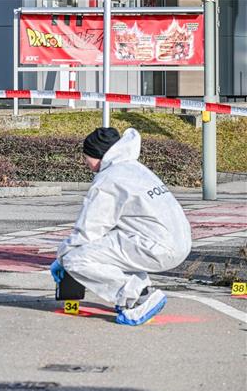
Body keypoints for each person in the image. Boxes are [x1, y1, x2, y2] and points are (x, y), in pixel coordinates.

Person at [50, 127, 192, 326]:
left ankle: (138, 297)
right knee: (108, 246)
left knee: (76, 260)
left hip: (157, 247)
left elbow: (89, 229)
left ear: (99, 155)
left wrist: (63, 256)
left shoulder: (108, 180)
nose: (85, 163)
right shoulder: (135, 168)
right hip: (177, 242)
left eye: (87, 157)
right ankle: (138, 289)